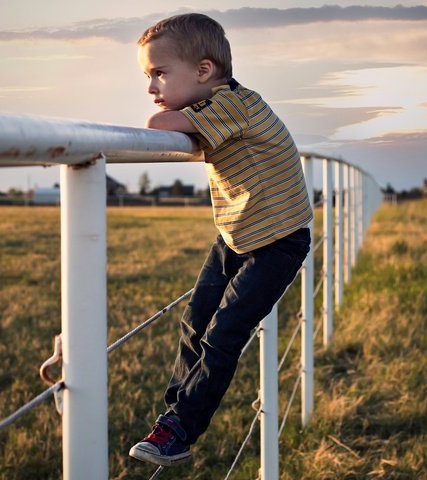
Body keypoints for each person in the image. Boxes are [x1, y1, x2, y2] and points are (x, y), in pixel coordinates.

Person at [128, 13, 313, 467]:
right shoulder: (216, 106)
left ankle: (181, 429)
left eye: (159, 73)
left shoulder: (232, 104)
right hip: (239, 232)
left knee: (223, 333)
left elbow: (160, 124)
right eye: (148, 76)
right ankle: (173, 415)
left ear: (204, 72)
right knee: (195, 321)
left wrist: (166, 113)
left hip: (279, 239)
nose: (151, 87)